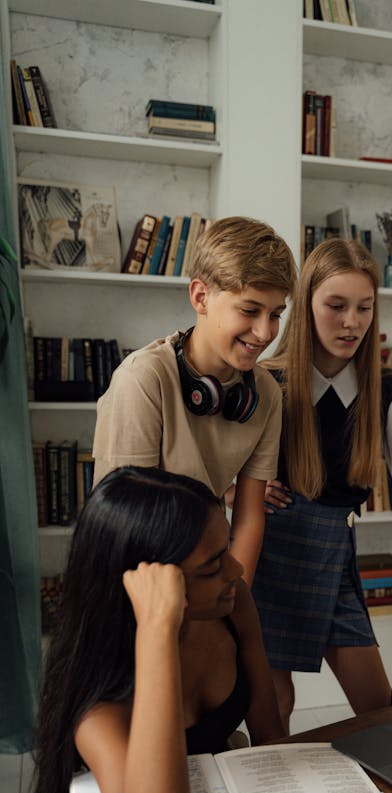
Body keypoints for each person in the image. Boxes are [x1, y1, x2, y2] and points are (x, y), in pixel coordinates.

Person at [31, 466, 284, 793]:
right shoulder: (99, 700)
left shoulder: (234, 608)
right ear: (149, 583)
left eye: (228, 551)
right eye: (212, 566)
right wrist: (156, 631)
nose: (236, 571)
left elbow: (271, 740)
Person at [252, 238, 392, 731]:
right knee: (275, 703)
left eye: (364, 308)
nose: (351, 322)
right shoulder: (262, 379)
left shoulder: (388, 388)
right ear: (305, 306)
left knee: (379, 709)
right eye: (335, 306)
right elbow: (208, 464)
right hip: (267, 549)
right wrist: (235, 492)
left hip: (332, 548)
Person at [92, 216, 297, 585]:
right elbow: (122, 526)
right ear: (201, 297)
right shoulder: (142, 380)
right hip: (139, 578)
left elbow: (250, 518)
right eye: (249, 311)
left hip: (209, 576)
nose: (265, 332)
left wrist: (231, 603)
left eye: (276, 314)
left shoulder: (265, 393)